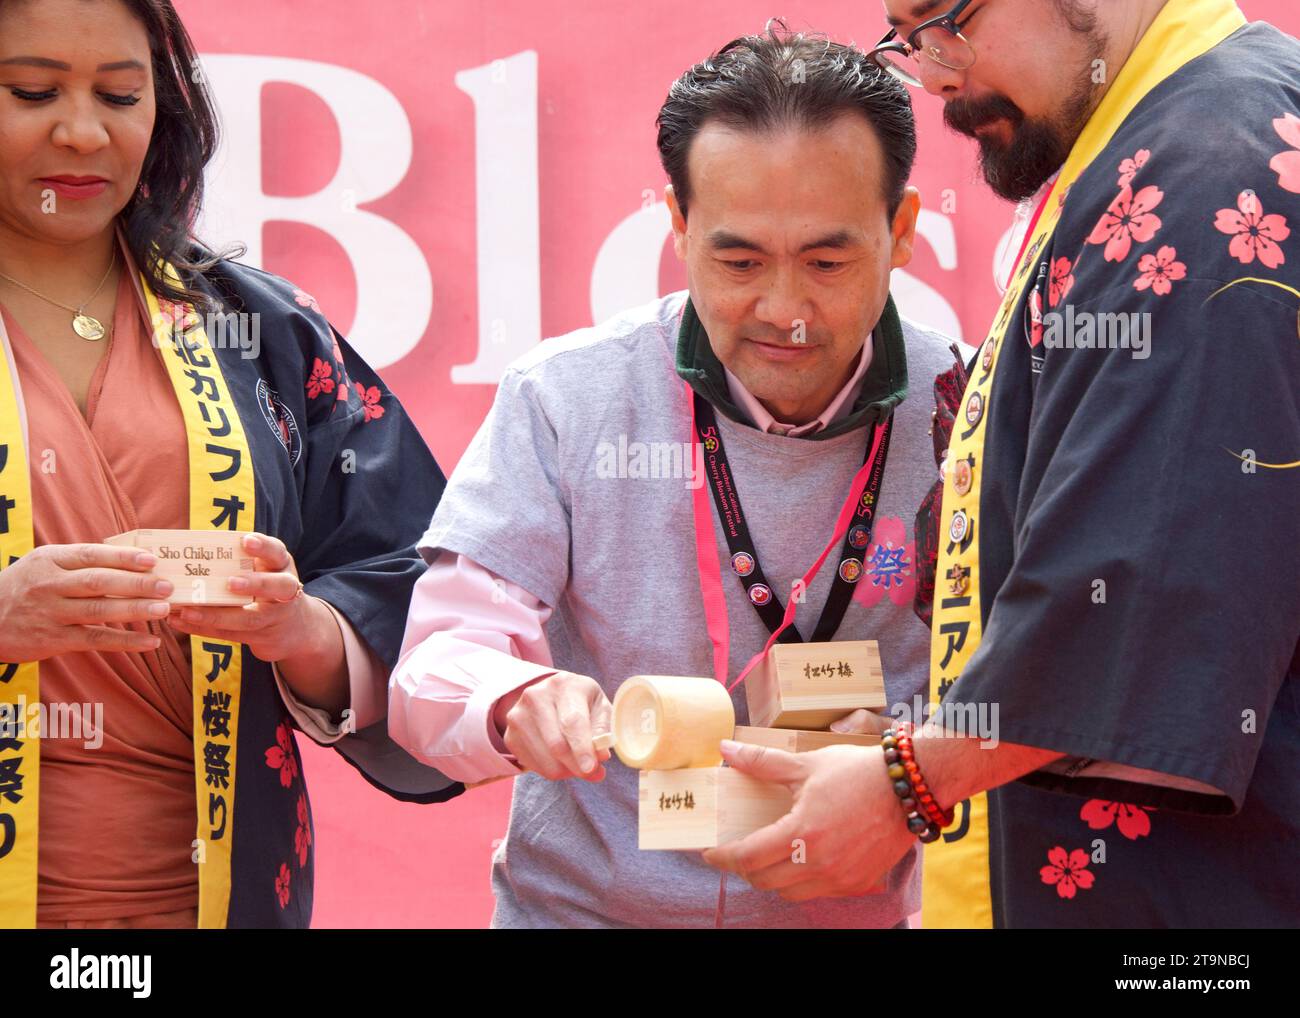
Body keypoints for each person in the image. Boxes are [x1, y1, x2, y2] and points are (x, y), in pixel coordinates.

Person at [703, 0, 1300, 928]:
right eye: (907, 38)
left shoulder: (1203, 169)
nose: (936, 75)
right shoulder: (1158, 137)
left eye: (944, 19)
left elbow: (1136, 579)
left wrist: (907, 784)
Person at [390, 24, 958, 928]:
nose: (784, 311)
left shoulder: (968, 409)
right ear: (678, 225)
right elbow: (435, 665)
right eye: (736, 261)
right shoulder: (568, 396)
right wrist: (515, 698)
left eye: (827, 260)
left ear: (902, 231)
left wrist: (907, 752)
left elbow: (1040, 678)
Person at [0, 0, 459, 930]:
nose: (82, 131)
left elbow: (424, 589)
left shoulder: (261, 332)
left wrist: (303, 631)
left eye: (122, 95)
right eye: (33, 90)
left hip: (217, 899)